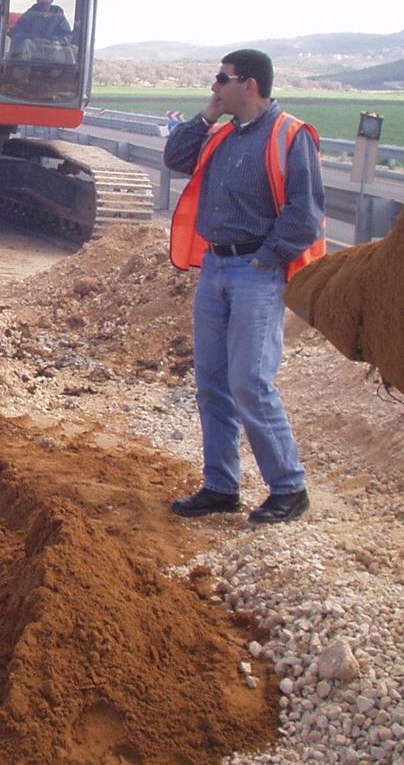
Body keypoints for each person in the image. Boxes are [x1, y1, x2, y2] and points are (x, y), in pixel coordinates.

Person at [163, 49, 326, 524]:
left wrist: (267, 258)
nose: (215, 86)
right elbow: (176, 157)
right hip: (215, 267)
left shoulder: (290, 136)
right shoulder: (224, 135)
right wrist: (209, 113)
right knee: (212, 383)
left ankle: (289, 487)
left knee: (249, 381)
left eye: (222, 80)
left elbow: (305, 212)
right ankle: (221, 486)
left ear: (249, 85)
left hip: (256, 272)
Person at [8, 0, 73, 55]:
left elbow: (67, 35)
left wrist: (54, 41)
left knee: (68, 51)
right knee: (25, 44)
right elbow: (18, 33)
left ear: (52, 1)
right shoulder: (28, 16)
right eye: (42, 3)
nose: (44, 6)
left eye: (46, 3)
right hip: (33, 48)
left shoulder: (59, 16)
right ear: (37, 1)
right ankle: (21, 66)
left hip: (53, 48)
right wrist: (34, 38)